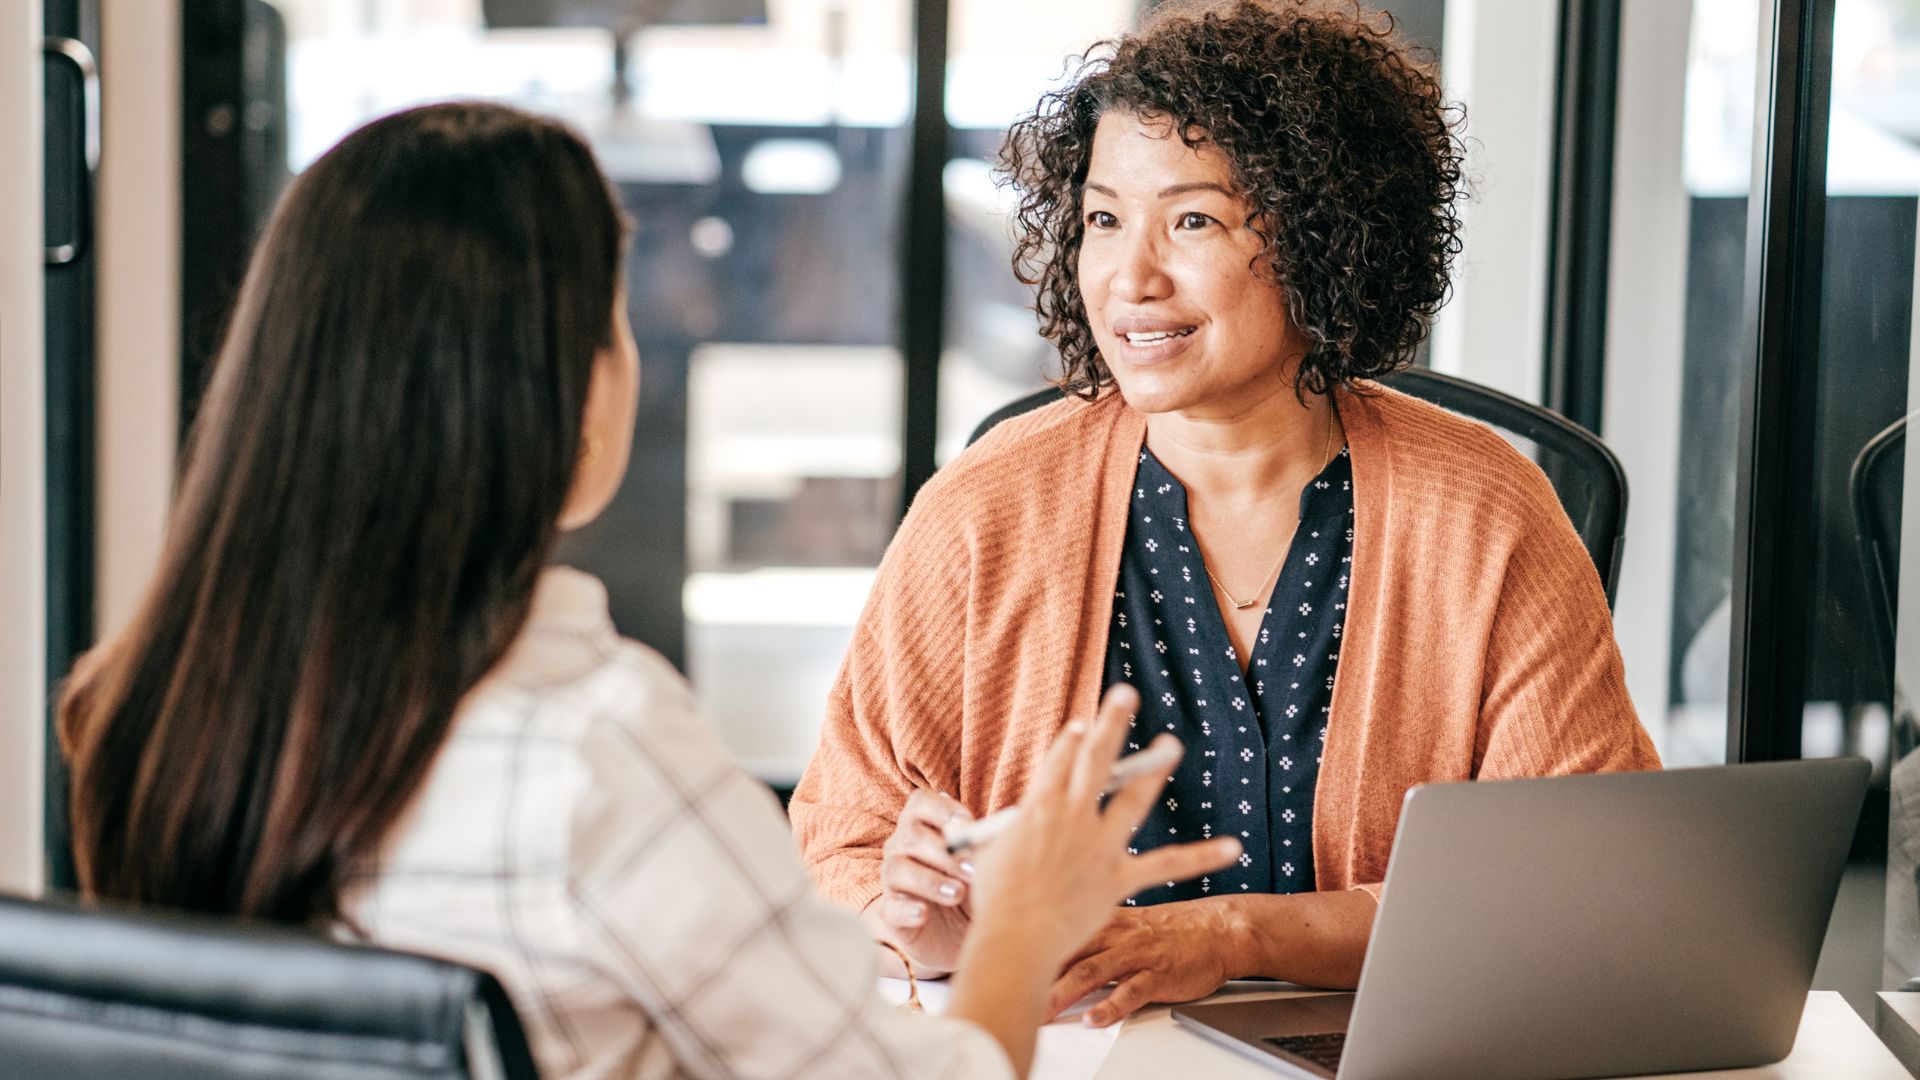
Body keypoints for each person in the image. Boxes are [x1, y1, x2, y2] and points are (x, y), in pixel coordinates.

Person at [55, 101, 1238, 1079]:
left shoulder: (146, 708)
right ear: (555, 396)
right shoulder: (594, 748)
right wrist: (1025, 923)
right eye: (614, 321)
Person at [789, 0, 1661, 1028]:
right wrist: (923, 926)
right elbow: (842, 845)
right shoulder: (986, 508)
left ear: (1324, 234)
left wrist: (1235, 936)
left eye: (1192, 220)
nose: (1131, 277)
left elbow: (1572, 885)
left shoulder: (1484, 511)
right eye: (1105, 219)